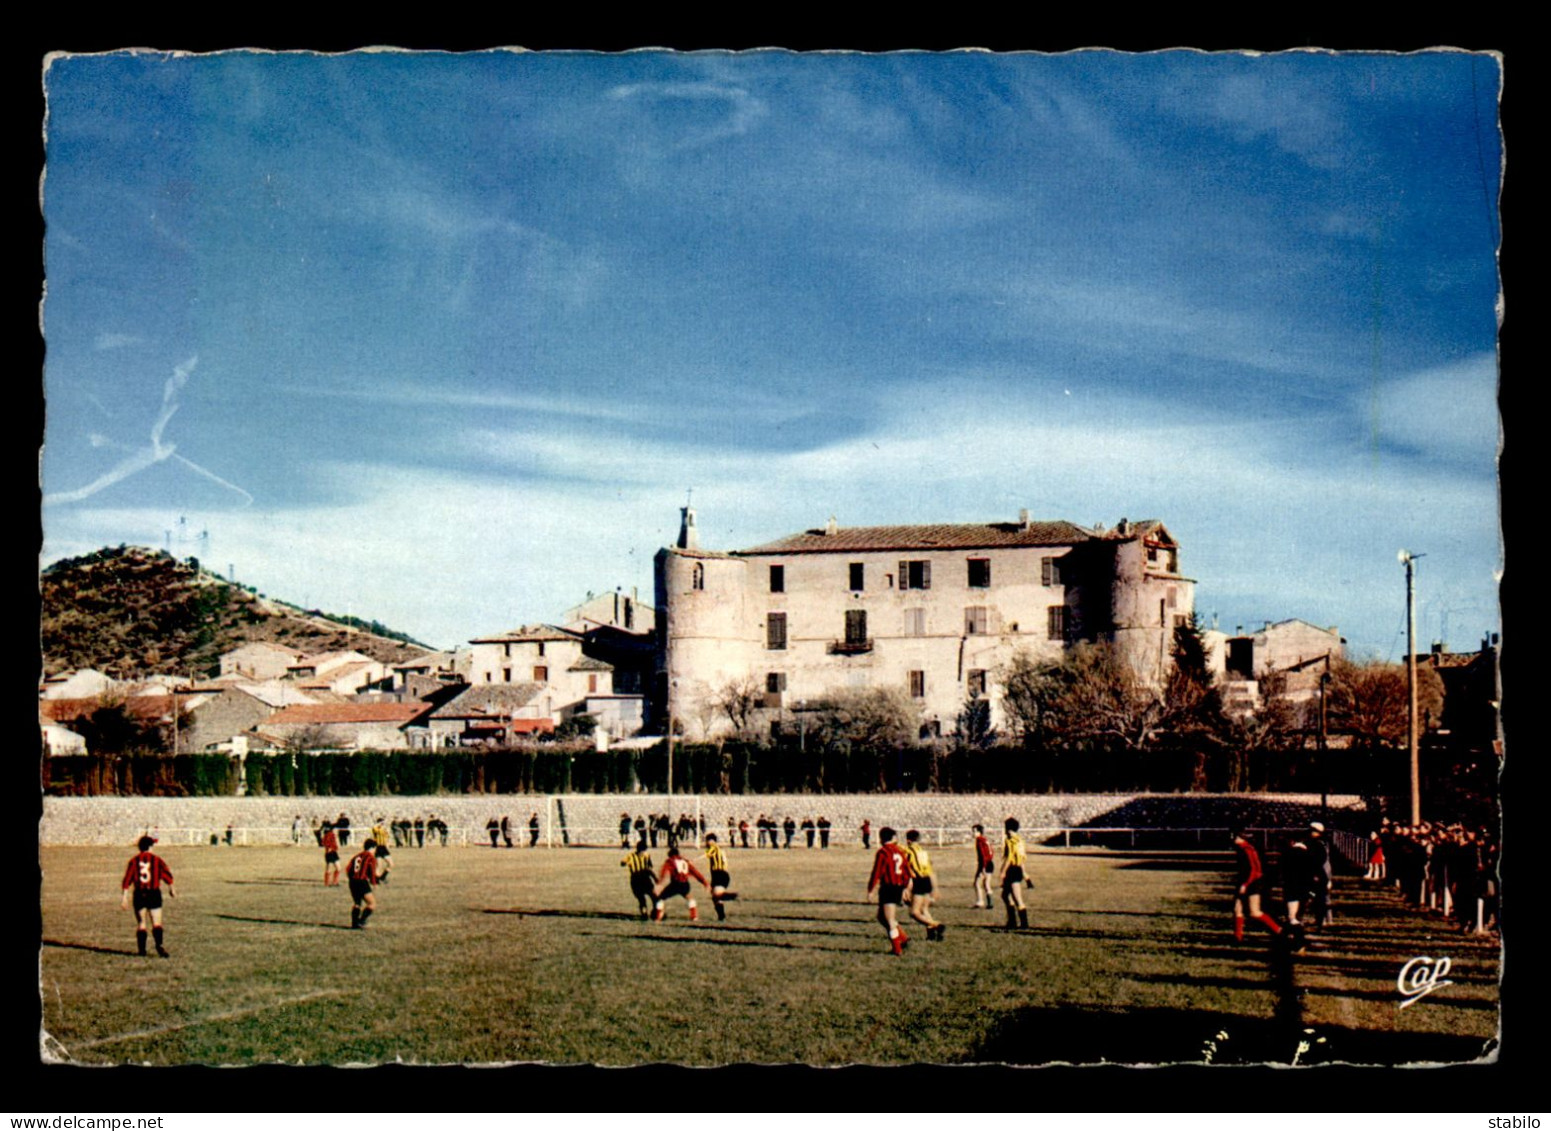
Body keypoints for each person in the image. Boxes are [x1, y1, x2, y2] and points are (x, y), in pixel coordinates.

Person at [121, 835, 175, 957]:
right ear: (150, 846)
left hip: (139, 894)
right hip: (153, 893)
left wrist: (124, 897)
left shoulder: (134, 861)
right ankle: (159, 945)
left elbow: (127, 879)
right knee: (157, 923)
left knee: (141, 923)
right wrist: (171, 888)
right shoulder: (156, 860)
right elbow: (166, 875)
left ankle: (142, 950)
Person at [1230, 829, 1283, 942]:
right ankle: (1237, 937)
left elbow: (1255, 870)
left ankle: (1279, 930)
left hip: (1253, 883)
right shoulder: (1240, 849)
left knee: (1254, 912)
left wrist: (1245, 884)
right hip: (1244, 882)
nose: (1232, 839)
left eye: (1234, 836)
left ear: (1240, 838)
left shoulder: (1248, 849)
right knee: (1237, 909)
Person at [867, 827, 912, 956]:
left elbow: (877, 872)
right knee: (881, 917)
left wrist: (871, 890)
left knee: (890, 920)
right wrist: (906, 887)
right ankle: (903, 938)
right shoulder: (899, 851)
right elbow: (907, 872)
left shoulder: (883, 852)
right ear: (893, 838)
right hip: (897, 886)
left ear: (881, 838)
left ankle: (897, 949)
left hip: (889, 887)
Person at [903, 830, 944, 940]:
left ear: (908, 840)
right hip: (927, 880)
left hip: (918, 881)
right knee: (924, 909)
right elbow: (930, 869)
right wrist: (935, 887)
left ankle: (937, 925)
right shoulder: (923, 852)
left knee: (914, 912)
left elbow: (908, 870)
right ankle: (931, 934)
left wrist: (906, 888)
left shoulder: (908, 851)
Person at [651, 846, 710, 922]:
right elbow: (695, 873)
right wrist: (705, 882)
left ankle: (658, 918)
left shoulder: (670, 861)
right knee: (690, 898)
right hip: (685, 884)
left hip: (675, 884)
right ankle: (694, 917)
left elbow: (664, 872)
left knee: (660, 898)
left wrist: (659, 884)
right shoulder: (685, 861)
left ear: (670, 855)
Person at [999, 818, 1030, 930]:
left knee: (1017, 898)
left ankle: (1023, 923)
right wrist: (1024, 872)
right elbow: (1022, 858)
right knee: (1005, 895)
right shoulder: (1020, 840)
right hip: (1018, 869)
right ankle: (1012, 921)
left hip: (1012, 869)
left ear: (1008, 828)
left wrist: (1002, 872)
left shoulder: (1010, 840)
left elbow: (1009, 858)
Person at [702, 833, 738, 921]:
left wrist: (692, 860)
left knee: (717, 895)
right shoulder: (719, 849)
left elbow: (707, 854)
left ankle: (731, 896)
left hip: (720, 874)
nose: (707, 843)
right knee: (715, 897)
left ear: (712, 841)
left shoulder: (714, 847)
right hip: (718, 875)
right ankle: (721, 916)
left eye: (708, 841)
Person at [346, 839, 380, 929]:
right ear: (372, 847)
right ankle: (361, 921)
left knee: (357, 903)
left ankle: (354, 924)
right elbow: (372, 871)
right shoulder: (370, 857)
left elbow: (348, 868)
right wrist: (374, 882)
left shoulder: (357, 856)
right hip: (362, 882)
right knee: (372, 904)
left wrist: (351, 878)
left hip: (352, 882)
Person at [1307, 822, 1333, 927]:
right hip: (1321, 873)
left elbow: (1322, 862)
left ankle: (1325, 919)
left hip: (1321, 874)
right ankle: (1323, 918)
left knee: (1322, 898)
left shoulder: (1319, 845)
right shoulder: (1319, 843)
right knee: (1319, 897)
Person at [622, 839, 656, 920]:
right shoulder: (631, 856)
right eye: (641, 850)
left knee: (653, 896)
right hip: (636, 878)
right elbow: (623, 862)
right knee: (642, 898)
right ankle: (644, 913)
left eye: (643, 850)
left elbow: (650, 867)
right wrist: (624, 863)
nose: (642, 852)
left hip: (644, 878)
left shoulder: (646, 855)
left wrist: (654, 878)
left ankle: (655, 911)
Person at [971, 824, 995, 909]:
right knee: (986, 884)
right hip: (990, 863)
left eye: (974, 831)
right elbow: (991, 851)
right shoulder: (985, 840)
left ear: (978, 832)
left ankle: (980, 901)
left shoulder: (979, 841)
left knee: (977, 883)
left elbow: (982, 855)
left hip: (984, 864)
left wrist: (983, 867)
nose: (972, 833)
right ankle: (990, 903)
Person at [370, 818, 393, 883]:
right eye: (381, 822)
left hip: (384, 848)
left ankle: (383, 877)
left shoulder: (384, 829)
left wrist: (388, 844)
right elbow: (374, 829)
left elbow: (387, 837)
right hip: (378, 848)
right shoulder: (376, 828)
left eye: (383, 823)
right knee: (379, 865)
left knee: (391, 864)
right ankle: (376, 879)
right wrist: (377, 824)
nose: (382, 824)